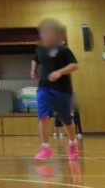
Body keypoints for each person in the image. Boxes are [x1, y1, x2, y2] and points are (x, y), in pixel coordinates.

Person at [30, 18, 80, 161]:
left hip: (62, 89)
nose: (45, 35)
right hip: (44, 88)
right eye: (43, 32)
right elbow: (35, 58)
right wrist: (33, 70)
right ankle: (45, 148)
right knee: (42, 116)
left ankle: (72, 143)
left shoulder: (63, 50)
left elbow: (74, 65)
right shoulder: (40, 49)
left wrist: (60, 72)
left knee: (66, 120)